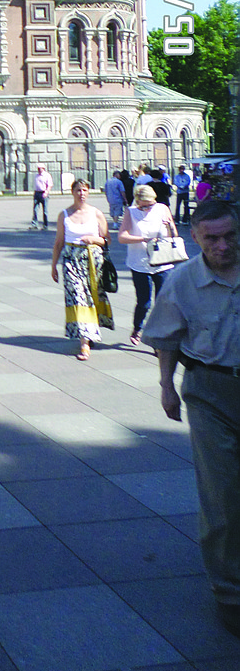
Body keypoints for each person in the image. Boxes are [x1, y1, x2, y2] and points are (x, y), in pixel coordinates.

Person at [141, 200, 240, 639]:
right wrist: (166, 385)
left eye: (230, 236)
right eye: (212, 238)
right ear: (195, 236)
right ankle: (230, 594)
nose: (222, 245)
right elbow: (165, 337)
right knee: (222, 497)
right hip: (209, 393)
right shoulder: (182, 282)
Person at [50, 179, 114, 360]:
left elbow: (107, 239)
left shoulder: (96, 213)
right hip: (71, 261)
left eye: (85, 190)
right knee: (78, 297)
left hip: (93, 261)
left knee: (92, 298)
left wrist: (93, 239)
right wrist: (54, 265)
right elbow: (58, 242)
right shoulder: (64, 215)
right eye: (78, 190)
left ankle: (89, 332)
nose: (82, 193)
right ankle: (84, 344)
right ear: (72, 192)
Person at [117, 184, 178, 345]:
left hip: (162, 262)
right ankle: (138, 328)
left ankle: (157, 338)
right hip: (140, 263)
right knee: (144, 302)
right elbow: (122, 237)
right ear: (137, 202)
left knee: (162, 302)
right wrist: (144, 239)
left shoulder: (162, 208)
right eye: (144, 206)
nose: (148, 209)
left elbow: (174, 236)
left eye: (150, 204)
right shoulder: (131, 212)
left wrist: (170, 226)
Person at [30, 164, 53, 229]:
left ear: (43, 168)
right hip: (37, 193)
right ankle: (34, 224)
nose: (39, 170)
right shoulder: (36, 175)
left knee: (45, 210)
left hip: (44, 193)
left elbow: (50, 185)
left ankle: (45, 225)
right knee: (35, 209)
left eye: (40, 168)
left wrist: (46, 192)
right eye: (38, 168)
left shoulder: (47, 175)